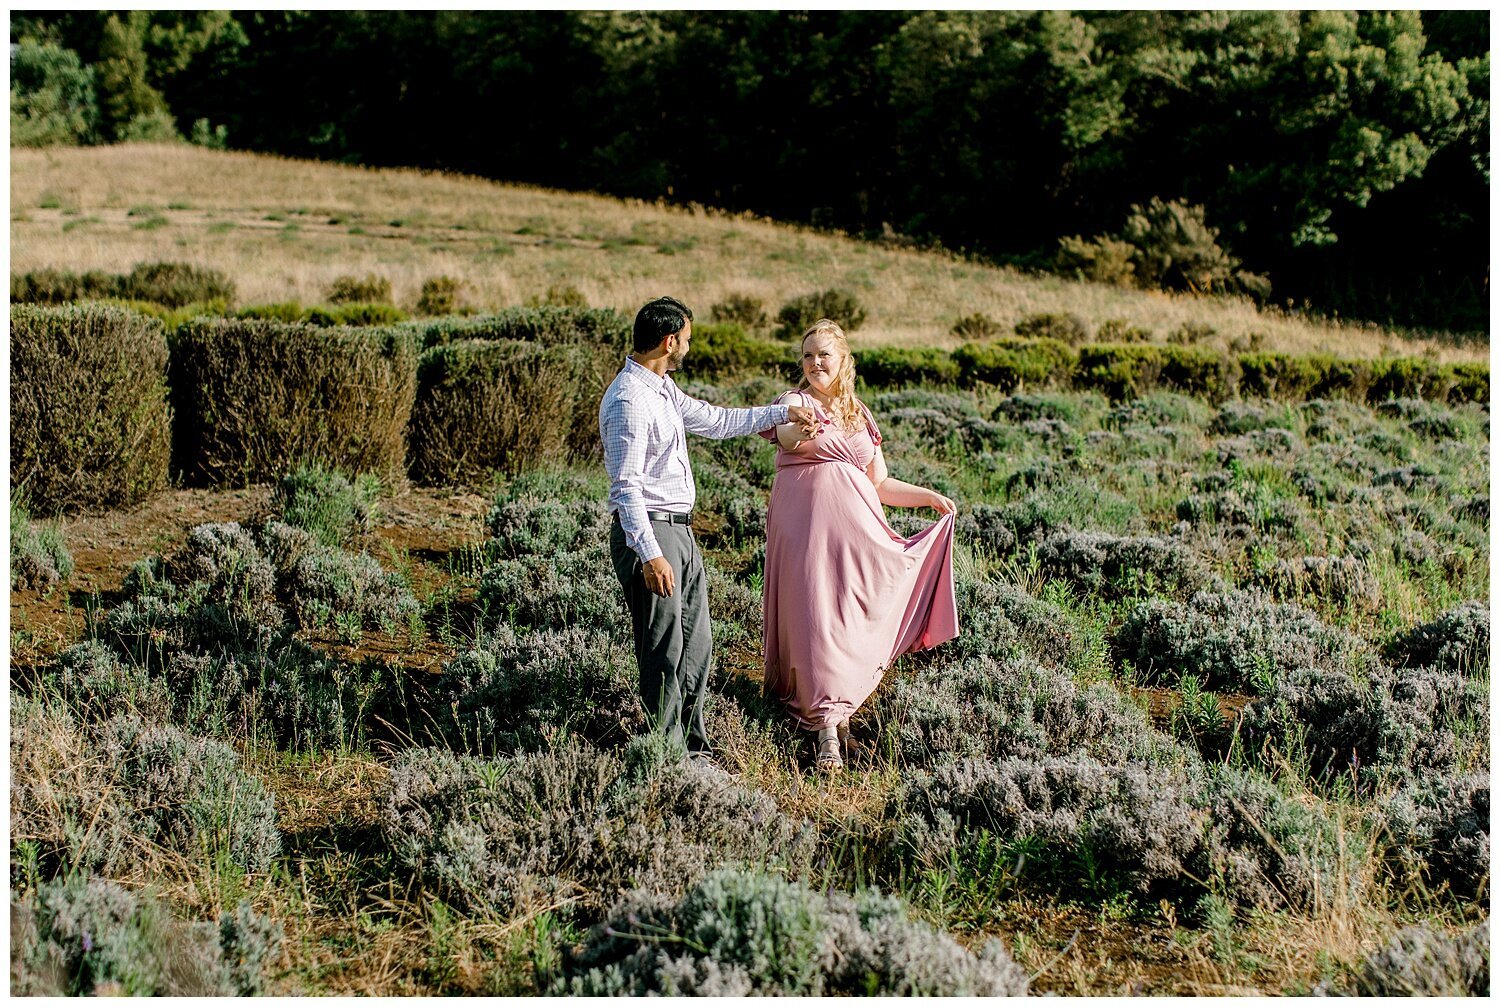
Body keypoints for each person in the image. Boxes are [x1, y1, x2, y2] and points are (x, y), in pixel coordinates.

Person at [601, 295, 818, 777]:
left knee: (696, 644)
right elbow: (625, 487)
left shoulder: (662, 388)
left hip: (680, 531)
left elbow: (716, 421)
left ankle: (695, 748)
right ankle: (668, 757)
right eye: (687, 338)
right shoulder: (628, 401)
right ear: (669, 340)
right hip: (652, 535)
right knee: (663, 649)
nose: (689, 346)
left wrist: (780, 415)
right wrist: (650, 554)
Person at [761, 318, 959, 773]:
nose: (813, 363)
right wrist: (801, 432)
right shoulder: (794, 403)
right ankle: (828, 727)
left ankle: (840, 709)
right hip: (806, 530)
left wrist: (927, 497)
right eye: (807, 355)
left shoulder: (858, 414)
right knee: (815, 617)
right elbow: (788, 436)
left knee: (846, 619)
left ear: (843, 360)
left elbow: (881, 482)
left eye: (823, 355)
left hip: (857, 535)